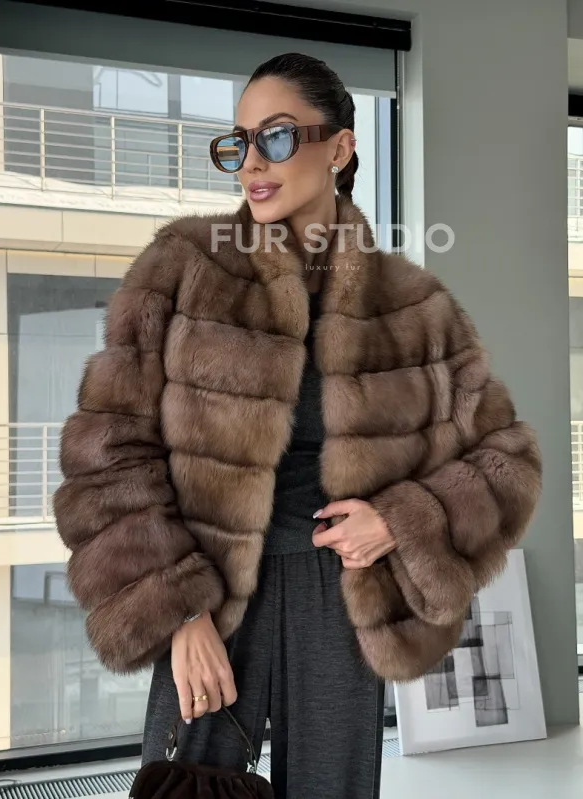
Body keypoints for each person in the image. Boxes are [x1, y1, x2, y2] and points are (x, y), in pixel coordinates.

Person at [53, 52, 542, 799]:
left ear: (339, 148)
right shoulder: (184, 268)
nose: (252, 162)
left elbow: (507, 460)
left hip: (340, 598)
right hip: (208, 588)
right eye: (239, 142)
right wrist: (179, 610)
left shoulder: (412, 306)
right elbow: (108, 451)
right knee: (189, 784)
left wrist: (400, 520)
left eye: (276, 137)